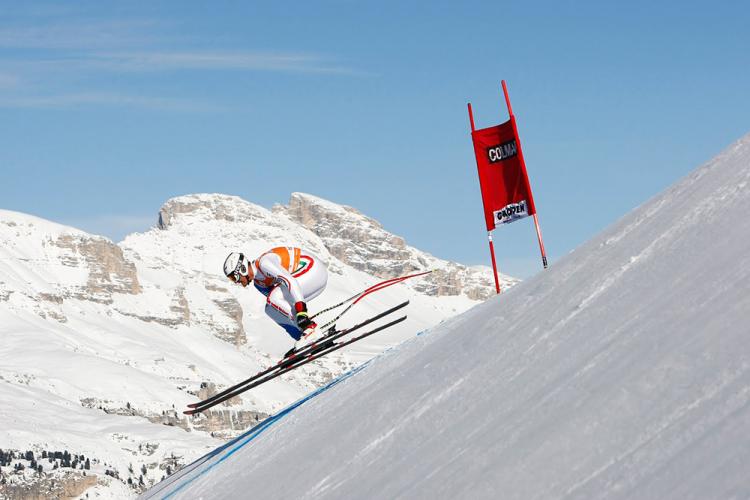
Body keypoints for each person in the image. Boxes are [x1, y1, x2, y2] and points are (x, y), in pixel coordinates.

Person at [223, 246, 328, 354]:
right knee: (270, 309)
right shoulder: (259, 284)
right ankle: (304, 336)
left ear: (242, 269)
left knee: (273, 297)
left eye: (234, 277)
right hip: (308, 281)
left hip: (314, 270)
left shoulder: (264, 263)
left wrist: (301, 311)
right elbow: (282, 305)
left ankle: (310, 329)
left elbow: (289, 281)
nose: (236, 282)